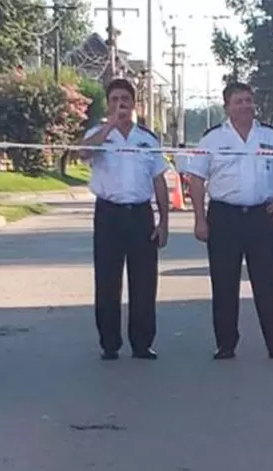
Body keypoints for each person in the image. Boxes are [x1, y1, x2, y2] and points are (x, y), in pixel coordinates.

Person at [182, 82, 273, 362]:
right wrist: (199, 219)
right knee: (224, 283)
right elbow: (197, 179)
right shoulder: (213, 139)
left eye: (249, 100)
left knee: (267, 285)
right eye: (238, 101)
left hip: (260, 218)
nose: (245, 106)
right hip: (224, 217)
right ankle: (226, 344)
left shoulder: (270, 137)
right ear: (227, 107)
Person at [76, 78, 169, 360]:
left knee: (144, 282)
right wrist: (109, 127)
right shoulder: (99, 134)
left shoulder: (147, 139)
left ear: (134, 104)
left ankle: (142, 343)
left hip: (140, 215)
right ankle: (109, 344)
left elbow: (159, 180)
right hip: (109, 215)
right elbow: (83, 153)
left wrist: (163, 221)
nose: (121, 104)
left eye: (125, 100)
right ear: (108, 104)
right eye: (115, 99)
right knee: (107, 281)